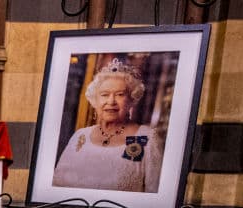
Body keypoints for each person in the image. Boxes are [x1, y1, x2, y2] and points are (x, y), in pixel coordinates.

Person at [52, 58, 163, 193]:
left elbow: (155, 195)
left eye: (120, 94)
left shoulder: (146, 138)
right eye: (104, 95)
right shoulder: (80, 135)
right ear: (95, 100)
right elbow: (57, 184)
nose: (111, 101)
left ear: (131, 100)